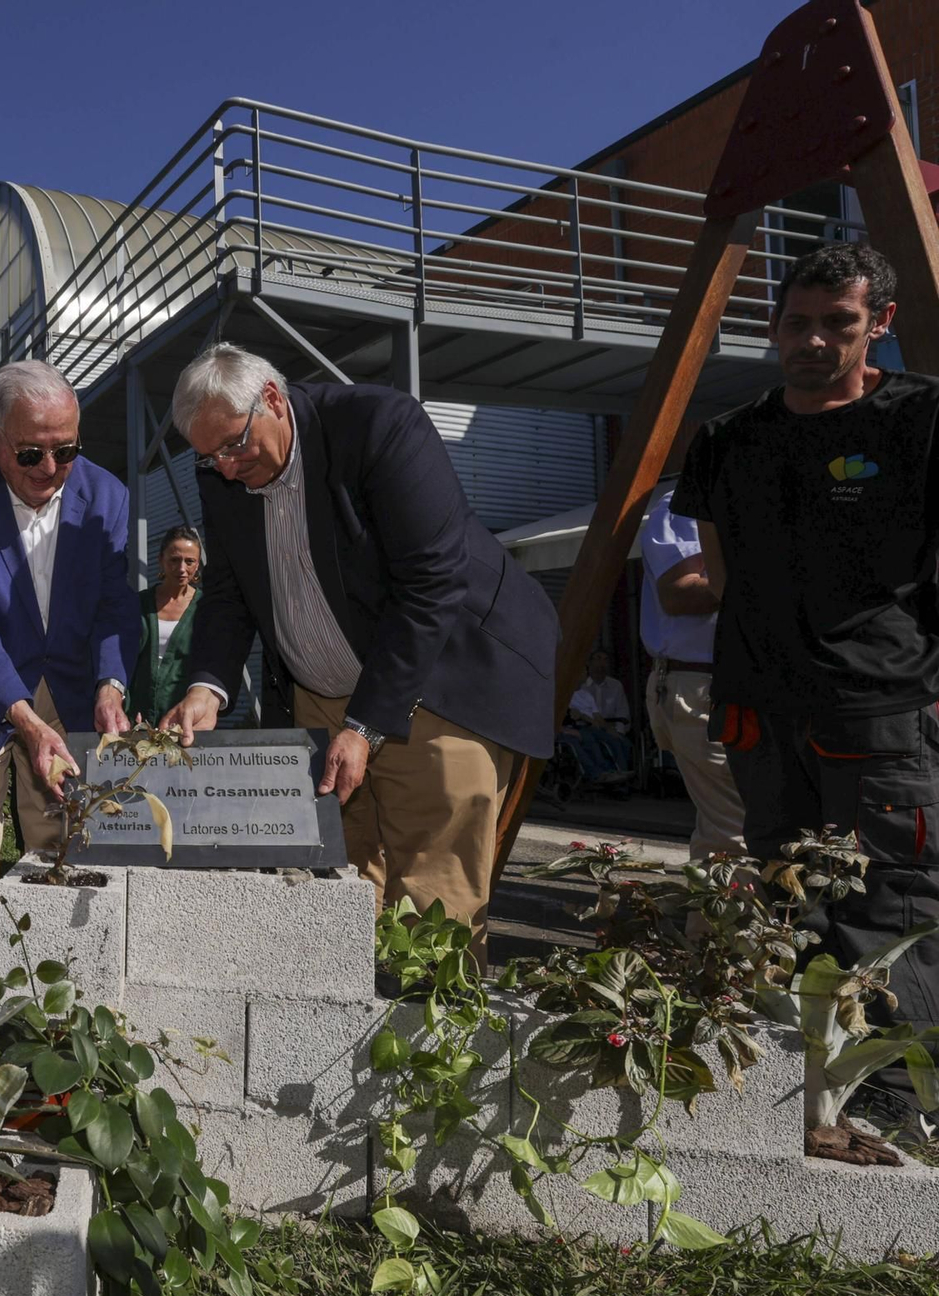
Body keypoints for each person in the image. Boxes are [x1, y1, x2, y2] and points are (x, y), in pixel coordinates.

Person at [161, 342, 557, 952]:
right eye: (210, 458)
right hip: (320, 702)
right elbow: (229, 593)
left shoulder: (380, 425)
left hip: (433, 689)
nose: (228, 469)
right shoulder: (221, 468)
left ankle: (433, 1047)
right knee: (335, 898)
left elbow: (432, 584)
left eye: (235, 446)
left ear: (272, 398)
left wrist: (366, 724)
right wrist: (206, 685)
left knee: (433, 906)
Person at [674, 242, 939, 1129]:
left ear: (880, 326)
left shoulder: (919, 424)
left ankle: (896, 1111)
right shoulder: (729, 441)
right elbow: (719, 576)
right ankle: (805, 1097)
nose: (815, 340)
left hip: (882, 714)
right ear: (772, 323)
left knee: (890, 910)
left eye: (839, 323)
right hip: (762, 715)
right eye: (798, 322)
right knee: (791, 903)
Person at [0, 360, 140, 989]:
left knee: (60, 844)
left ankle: (54, 995)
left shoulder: (108, 497)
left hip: (71, 691)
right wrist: (24, 719)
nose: (50, 470)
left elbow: (114, 605)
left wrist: (110, 685)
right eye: (31, 453)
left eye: (66, 450)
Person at [638, 481, 745, 858]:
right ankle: (732, 916)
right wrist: (766, 581)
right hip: (703, 683)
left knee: (741, 822)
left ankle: (742, 913)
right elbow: (678, 592)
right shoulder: (688, 502)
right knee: (733, 830)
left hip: (734, 681)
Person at [132, 526, 205, 725]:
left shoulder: (205, 608)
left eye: (189, 561)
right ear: (161, 560)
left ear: (197, 565)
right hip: (137, 715)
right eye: (174, 560)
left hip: (184, 717)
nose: (182, 569)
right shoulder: (138, 604)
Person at [563, 649, 634, 785]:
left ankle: (621, 777)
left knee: (620, 741)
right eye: (598, 659)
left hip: (600, 724)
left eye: (605, 660)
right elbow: (576, 715)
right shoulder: (570, 693)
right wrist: (592, 722)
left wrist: (613, 730)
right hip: (583, 725)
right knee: (591, 739)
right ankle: (605, 774)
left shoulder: (591, 693)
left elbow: (613, 713)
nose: (601, 663)